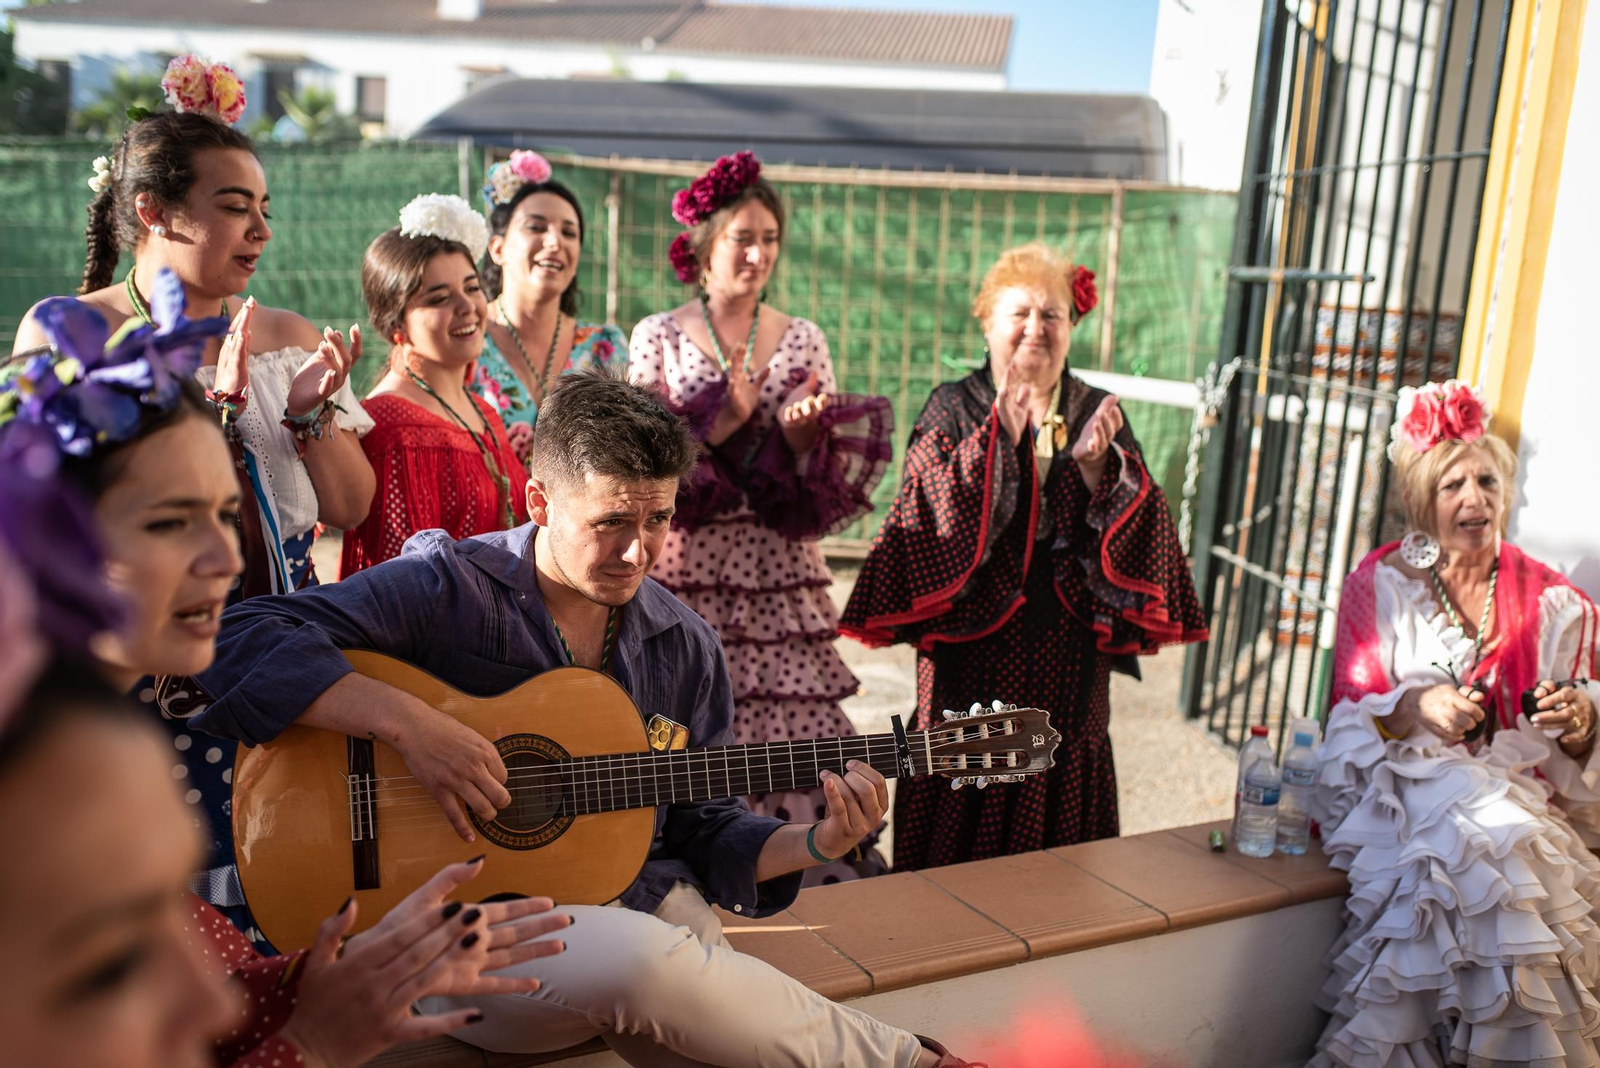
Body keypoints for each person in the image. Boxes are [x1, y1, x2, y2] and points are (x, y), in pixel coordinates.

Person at [195, 372, 976, 1067]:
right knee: (651, 961)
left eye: (658, 521)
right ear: (539, 501)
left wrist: (816, 843)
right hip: (437, 943)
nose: (637, 552)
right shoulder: (447, 587)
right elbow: (240, 637)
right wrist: (409, 725)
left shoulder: (683, 644)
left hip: (617, 922)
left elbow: (704, 830)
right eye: (610, 522)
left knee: (679, 962)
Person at [0, 297, 570, 1068]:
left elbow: (208, 997)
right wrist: (309, 1043)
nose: (227, 559)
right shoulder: (39, 787)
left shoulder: (83, 736)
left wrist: (320, 983)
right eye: (171, 521)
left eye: (228, 515)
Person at [8, 57, 374, 945]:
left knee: (273, 890)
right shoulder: (71, 327)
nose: (259, 232)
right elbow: (43, 500)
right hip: (127, 665)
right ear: (153, 212)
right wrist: (204, 405)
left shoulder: (289, 338)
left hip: (273, 656)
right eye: (233, 206)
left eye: (263, 211)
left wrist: (310, 413)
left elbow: (354, 507)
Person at [840, 243, 1207, 869]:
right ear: (987, 324)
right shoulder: (952, 406)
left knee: (1061, 790)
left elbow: (1153, 528)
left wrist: (1100, 470)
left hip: (1068, 655)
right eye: (1020, 314)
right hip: (969, 653)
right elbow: (918, 515)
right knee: (966, 768)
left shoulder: (1098, 410)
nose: (1036, 329)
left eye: (1052, 315)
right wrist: (996, 442)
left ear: (1071, 328)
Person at [1314, 381, 1600, 1067]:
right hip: (1406, 789)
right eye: (1451, 485)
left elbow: (1580, 741)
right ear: (1419, 502)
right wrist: (1414, 707)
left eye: (1486, 480)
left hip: (1521, 795)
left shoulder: (1557, 600)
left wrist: (1583, 722)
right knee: (1480, 844)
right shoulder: (1379, 583)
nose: (1474, 499)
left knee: (1505, 844)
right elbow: (1347, 717)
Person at [630, 152, 893, 883]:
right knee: (685, 707)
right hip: (690, 563)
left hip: (777, 565)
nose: (757, 253)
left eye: (770, 238)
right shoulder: (659, 333)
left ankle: (793, 868)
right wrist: (723, 421)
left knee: (782, 716)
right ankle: (681, 860)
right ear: (707, 245)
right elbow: (640, 455)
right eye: (743, 237)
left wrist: (806, 439)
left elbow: (823, 480)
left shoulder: (803, 335)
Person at [339, 194, 529, 577]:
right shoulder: (392, 427)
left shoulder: (481, 409)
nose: (467, 306)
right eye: (439, 298)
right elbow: (404, 580)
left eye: (472, 287)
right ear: (396, 325)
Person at [473, 150, 627, 460]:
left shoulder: (604, 346)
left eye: (569, 232)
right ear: (498, 248)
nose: (555, 242)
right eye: (537, 227)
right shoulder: (466, 339)